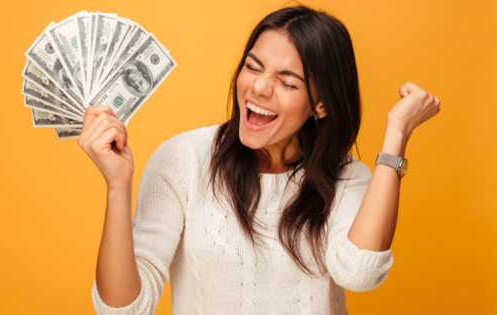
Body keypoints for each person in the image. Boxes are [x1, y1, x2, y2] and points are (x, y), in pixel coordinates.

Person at [78, 5, 440, 315]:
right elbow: (123, 308)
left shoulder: (348, 179)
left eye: (288, 82)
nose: (259, 88)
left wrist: (397, 133)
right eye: (253, 67)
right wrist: (117, 186)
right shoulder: (183, 159)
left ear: (321, 105)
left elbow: (360, 274)